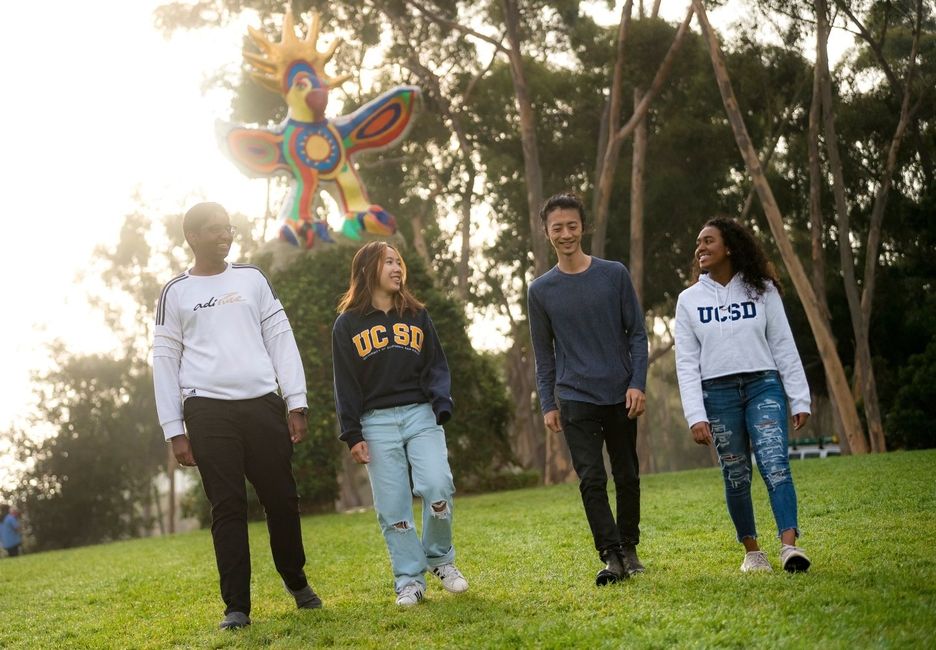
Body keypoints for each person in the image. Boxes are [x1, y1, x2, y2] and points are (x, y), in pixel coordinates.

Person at [153, 202, 322, 630]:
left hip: (262, 403)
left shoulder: (252, 279)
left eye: (227, 228)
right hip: (207, 411)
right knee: (227, 507)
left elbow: (280, 338)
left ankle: (295, 579)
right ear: (192, 237)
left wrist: (295, 402)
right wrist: (175, 430)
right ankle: (237, 608)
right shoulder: (175, 293)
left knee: (281, 498)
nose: (224, 236)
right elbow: (164, 362)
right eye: (214, 230)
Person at [331, 241, 468, 607]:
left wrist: (441, 404)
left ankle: (440, 558)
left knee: (438, 486)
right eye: (388, 262)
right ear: (367, 270)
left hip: (421, 414)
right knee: (393, 507)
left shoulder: (417, 315)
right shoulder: (347, 325)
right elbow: (344, 382)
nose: (396, 268)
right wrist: (352, 433)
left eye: (398, 262)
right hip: (375, 423)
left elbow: (436, 364)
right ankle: (409, 579)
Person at [674, 217, 812, 573]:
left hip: (762, 386)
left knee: (775, 465)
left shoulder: (763, 290)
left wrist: (799, 397)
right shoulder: (688, 300)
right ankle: (753, 552)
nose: (700, 248)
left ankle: (789, 548)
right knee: (736, 475)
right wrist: (696, 415)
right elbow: (686, 363)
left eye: (708, 241)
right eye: (698, 243)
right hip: (717, 395)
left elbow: (783, 345)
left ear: (730, 247)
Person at [527, 192, 649, 586]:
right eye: (557, 227)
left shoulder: (613, 274)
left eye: (572, 226)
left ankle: (629, 547)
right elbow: (543, 353)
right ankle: (610, 555)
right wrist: (548, 403)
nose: (566, 234)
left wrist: (637, 383)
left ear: (583, 227)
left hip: (619, 393)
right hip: (574, 397)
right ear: (547, 233)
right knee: (591, 479)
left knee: (627, 474)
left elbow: (637, 334)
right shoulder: (540, 290)